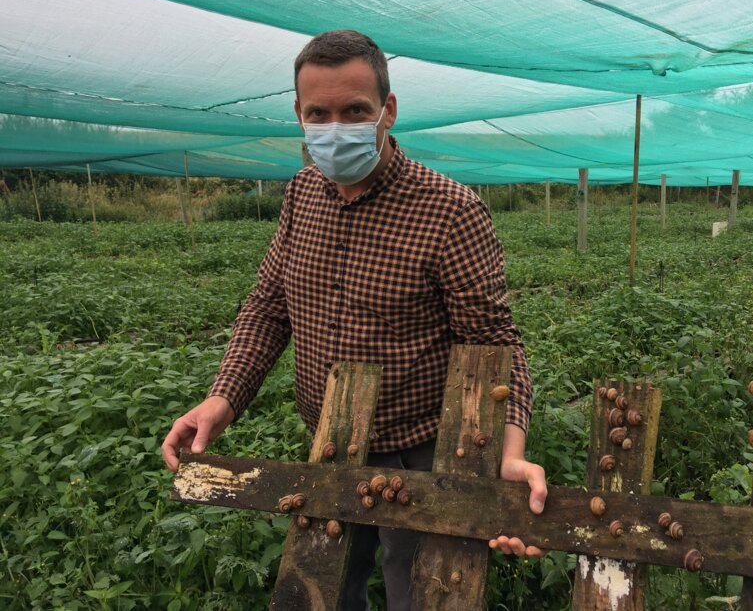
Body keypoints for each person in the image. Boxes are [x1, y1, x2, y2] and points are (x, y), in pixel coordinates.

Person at [161, 30, 547, 610]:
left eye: (355, 111)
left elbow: (495, 344)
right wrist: (222, 398)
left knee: (417, 590)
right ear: (298, 113)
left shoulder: (449, 211)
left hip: (418, 451)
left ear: (387, 111)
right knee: (326, 587)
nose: (335, 127)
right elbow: (268, 306)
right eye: (319, 113)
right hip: (329, 440)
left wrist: (509, 451)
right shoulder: (302, 194)